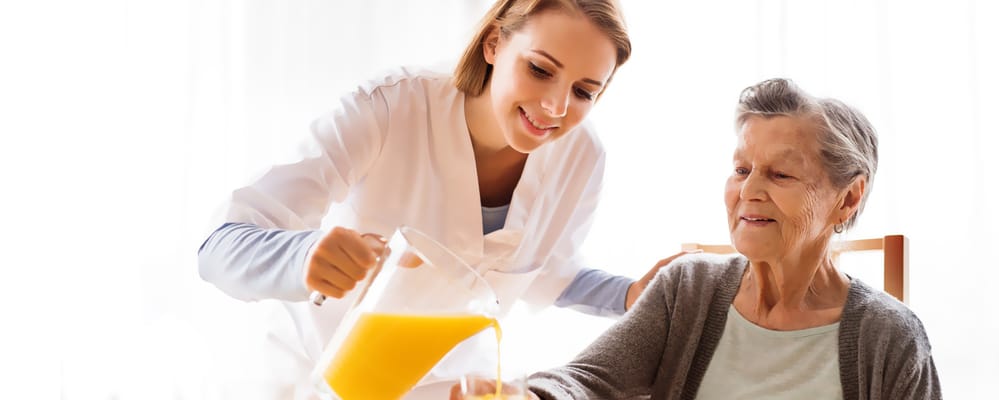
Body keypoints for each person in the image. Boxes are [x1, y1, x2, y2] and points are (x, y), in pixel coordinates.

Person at [197, 0, 687, 397]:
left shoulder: (581, 156)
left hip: (445, 387)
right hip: (314, 376)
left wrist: (630, 295)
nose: (556, 107)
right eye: (540, 70)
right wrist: (303, 256)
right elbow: (218, 245)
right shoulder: (390, 107)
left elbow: (547, 272)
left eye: (583, 91)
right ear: (494, 43)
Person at [457, 78, 941, 399]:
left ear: (848, 198)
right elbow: (588, 380)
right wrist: (525, 396)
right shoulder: (688, 289)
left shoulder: (890, 336)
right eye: (741, 169)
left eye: (780, 175)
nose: (748, 192)